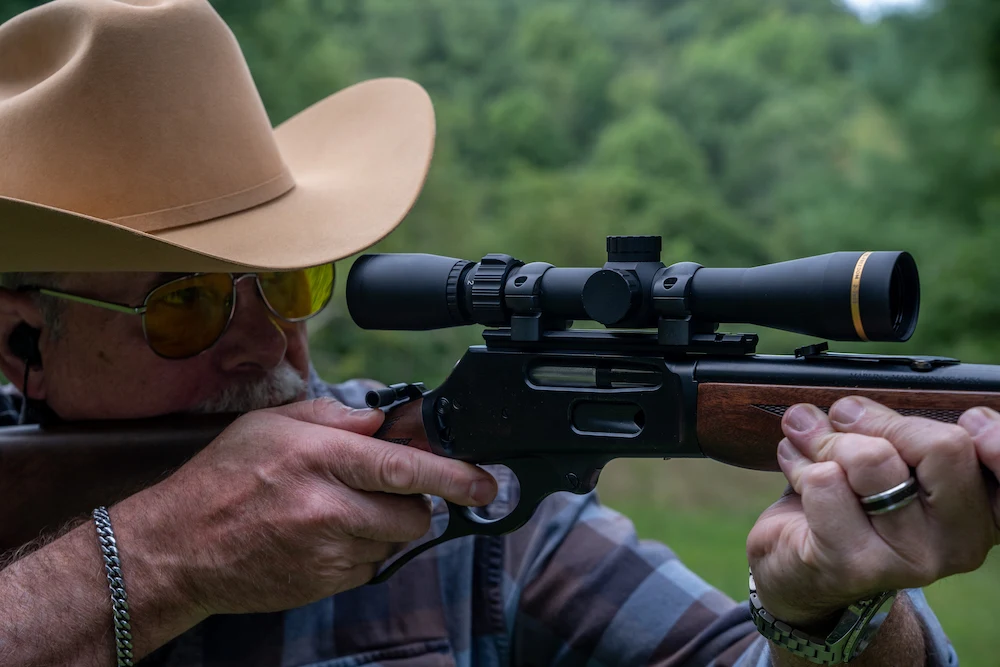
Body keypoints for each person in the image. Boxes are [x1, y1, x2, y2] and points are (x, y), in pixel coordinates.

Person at [0, 1, 997, 666]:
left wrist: (824, 611)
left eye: (288, 281)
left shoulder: (447, 497)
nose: (267, 343)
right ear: (21, 344)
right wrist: (162, 557)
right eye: (186, 302)